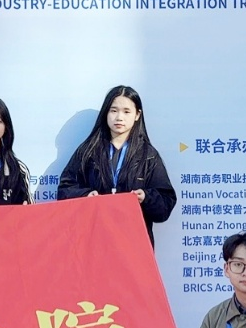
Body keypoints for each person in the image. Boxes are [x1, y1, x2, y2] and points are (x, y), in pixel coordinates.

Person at [56, 85, 176, 246]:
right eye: (114, 111)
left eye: (126, 111)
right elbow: (65, 189)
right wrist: (86, 195)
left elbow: (166, 203)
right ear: (106, 113)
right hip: (94, 241)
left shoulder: (148, 155)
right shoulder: (88, 151)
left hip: (133, 244)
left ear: (137, 115)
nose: (119, 117)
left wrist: (146, 197)